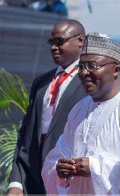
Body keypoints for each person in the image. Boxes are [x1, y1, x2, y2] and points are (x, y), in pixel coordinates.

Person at [41, 32, 120, 194]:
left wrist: (95, 167)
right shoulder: (79, 109)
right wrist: (59, 168)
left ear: (116, 70)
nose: (83, 73)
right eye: (81, 67)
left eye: (92, 66)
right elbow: (59, 154)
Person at [7, 19, 87, 194]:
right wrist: (16, 182)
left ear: (80, 41)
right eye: (51, 42)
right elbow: (26, 137)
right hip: (34, 181)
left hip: (71, 181)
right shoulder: (42, 83)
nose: (53, 47)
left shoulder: (91, 82)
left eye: (59, 41)